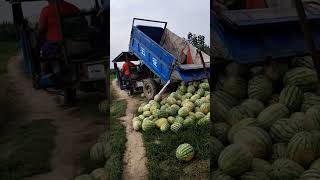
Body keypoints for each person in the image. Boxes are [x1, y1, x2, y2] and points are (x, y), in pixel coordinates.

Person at [38, 0, 80, 74]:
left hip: (56, 44)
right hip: (76, 41)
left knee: (42, 52)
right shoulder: (73, 7)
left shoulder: (47, 10)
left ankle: (43, 75)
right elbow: (83, 23)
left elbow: (41, 29)